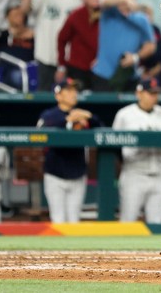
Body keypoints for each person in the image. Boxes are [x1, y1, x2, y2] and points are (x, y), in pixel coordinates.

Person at [37, 78, 102, 223]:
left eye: (75, 90)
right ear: (58, 95)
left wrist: (89, 117)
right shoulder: (50, 115)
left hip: (77, 173)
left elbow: (101, 128)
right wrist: (68, 120)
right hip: (55, 175)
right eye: (68, 90)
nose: (73, 94)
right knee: (58, 220)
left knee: (74, 221)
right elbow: (41, 131)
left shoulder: (82, 114)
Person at [112, 78, 161, 223]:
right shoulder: (124, 114)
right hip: (134, 173)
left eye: (156, 93)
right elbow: (114, 144)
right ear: (139, 93)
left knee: (157, 224)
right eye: (150, 93)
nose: (154, 97)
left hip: (158, 173)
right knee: (128, 221)